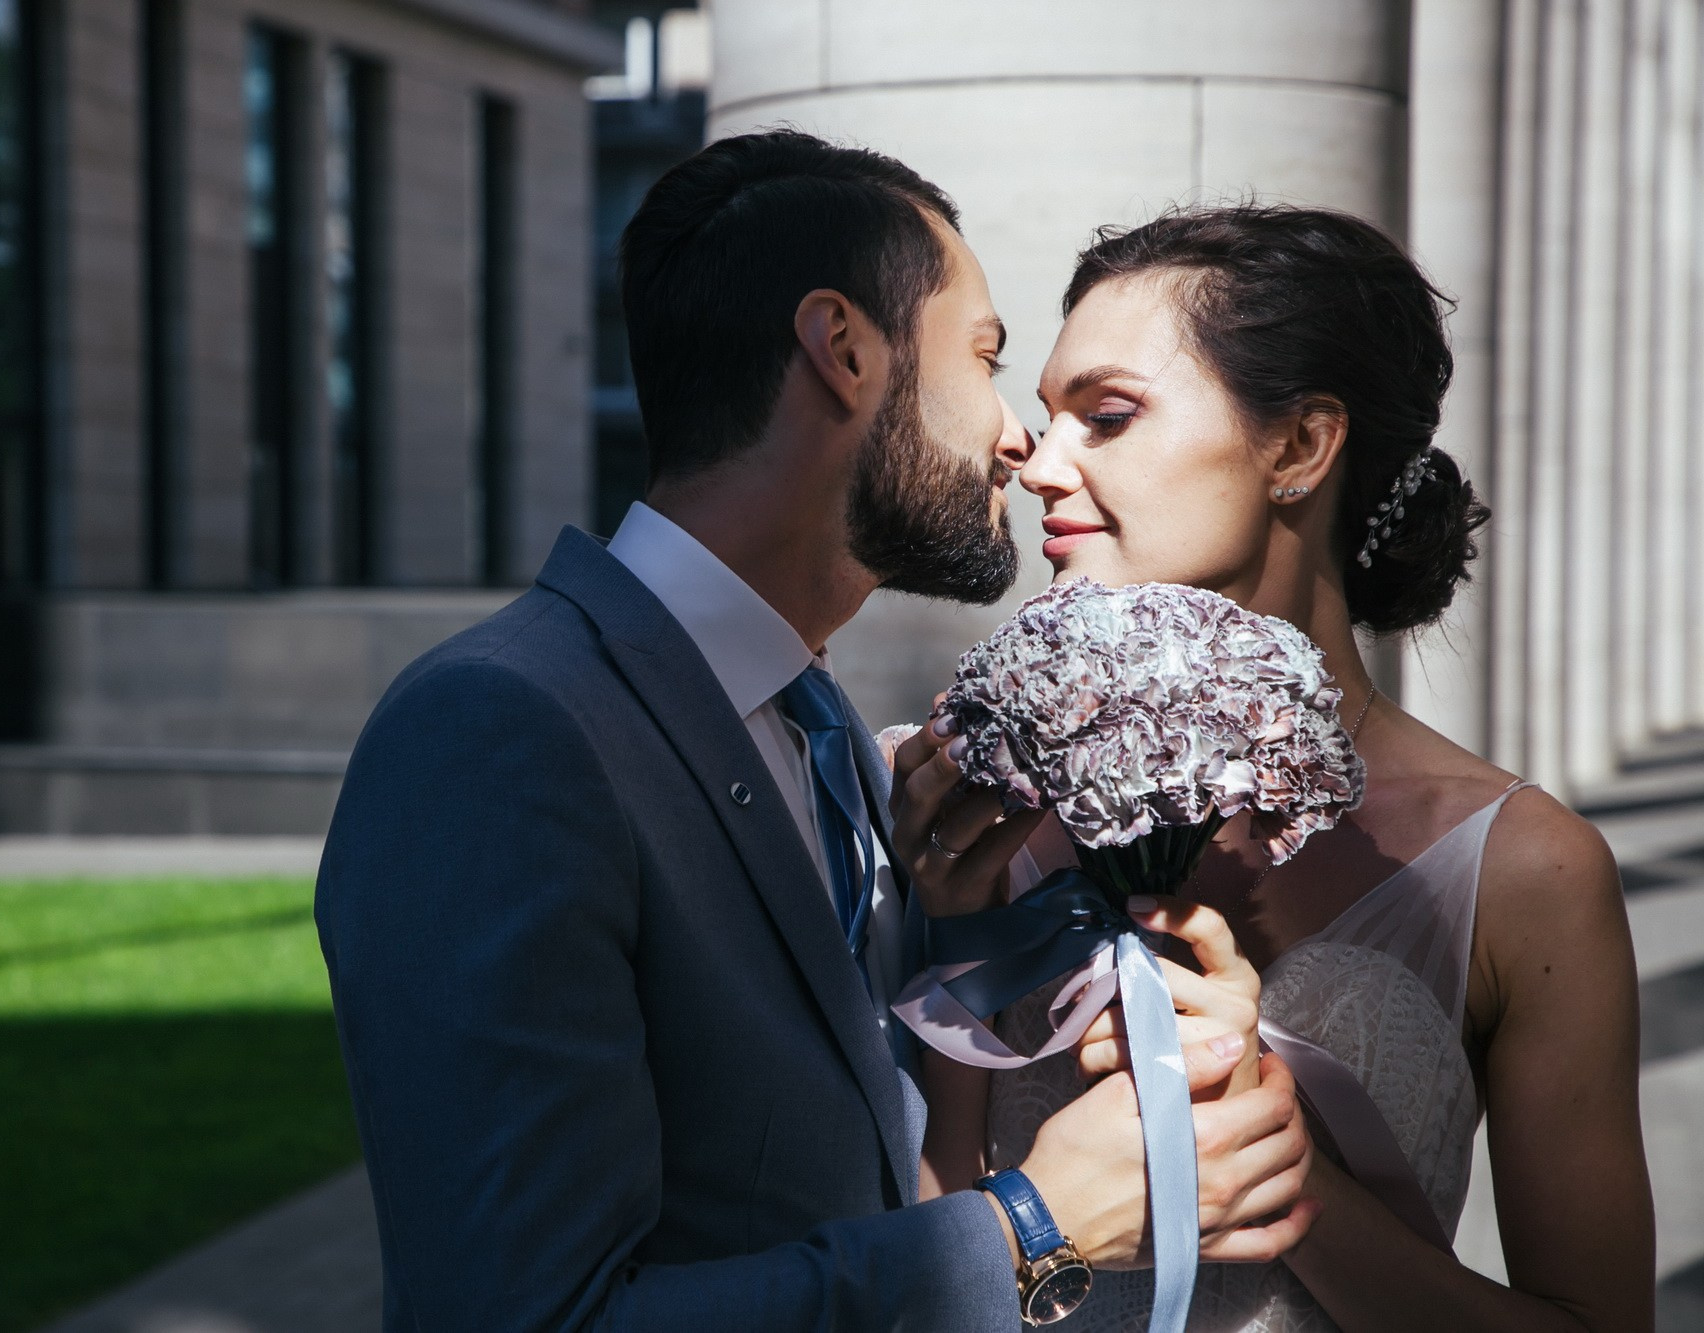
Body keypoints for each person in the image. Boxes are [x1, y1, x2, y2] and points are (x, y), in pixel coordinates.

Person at [315, 134, 1318, 1331]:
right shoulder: (498, 731)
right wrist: (1028, 1226)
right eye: (983, 360)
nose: (1015, 440)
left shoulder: (825, 730)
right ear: (842, 349)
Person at [893, 204, 1655, 1330]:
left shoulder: (1524, 870)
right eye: (1047, 419)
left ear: (1298, 447)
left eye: (1106, 416)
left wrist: (1284, 1167)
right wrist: (951, 945)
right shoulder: (959, 800)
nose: (1040, 466)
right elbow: (907, 1270)